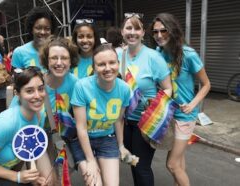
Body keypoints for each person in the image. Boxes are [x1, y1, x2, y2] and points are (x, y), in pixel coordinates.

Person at [149, 13, 211, 186]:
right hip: (169, 115)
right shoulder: (158, 53)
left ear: (173, 30)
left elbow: (206, 84)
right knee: (179, 161)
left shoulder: (188, 54)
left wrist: (192, 105)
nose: (159, 35)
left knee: (172, 164)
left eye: (164, 31)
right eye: (155, 32)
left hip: (185, 116)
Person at [118, 13, 173, 186]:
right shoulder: (117, 55)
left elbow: (168, 88)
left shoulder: (154, 58)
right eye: (128, 28)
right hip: (123, 122)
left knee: (142, 167)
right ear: (122, 31)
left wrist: (156, 108)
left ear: (143, 33)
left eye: (137, 28)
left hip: (145, 123)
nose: (132, 32)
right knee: (132, 162)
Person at [70, 44, 131, 186]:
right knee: (94, 183)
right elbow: (81, 127)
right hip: (83, 140)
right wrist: (90, 160)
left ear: (118, 63)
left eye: (112, 62)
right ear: (94, 67)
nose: (108, 68)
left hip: (107, 139)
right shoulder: (81, 86)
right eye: (101, 64)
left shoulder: (125, 89)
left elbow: (118, 120)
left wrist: (121, 145)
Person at [11, 7, 56, 72]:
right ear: (31, 29)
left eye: (47, 28)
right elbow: (15, 79)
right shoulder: (19, 52)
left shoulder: (58, 51)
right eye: (38, 28)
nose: (43, 32)